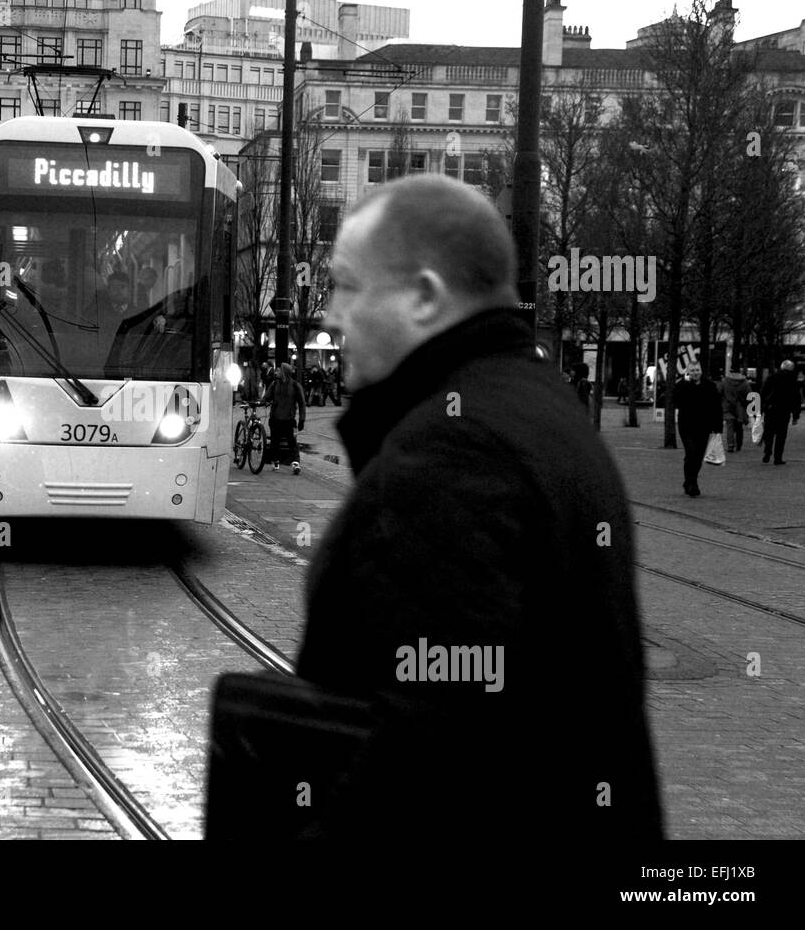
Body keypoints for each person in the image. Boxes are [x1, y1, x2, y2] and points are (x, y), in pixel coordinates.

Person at [296, 175, 662, 839]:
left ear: (424, 297)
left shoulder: (451, 456)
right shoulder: (543, 406)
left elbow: (423, 764)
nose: (328, 314)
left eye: (346, 285)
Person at [672, 363, 722, 496]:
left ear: (701, 370)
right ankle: (692, 483)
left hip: (704, 427)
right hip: (686, 426)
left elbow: (716, 406)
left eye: (697, 370)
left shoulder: (709, 386)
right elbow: (675, 399)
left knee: (698, 457)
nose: (695, 372)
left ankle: (689, 481)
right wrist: (683, 382)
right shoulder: (682, 385)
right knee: (691, 453)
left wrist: (717, 427)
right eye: (692, 370)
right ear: (688, 372)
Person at [262, 362, 305, 474]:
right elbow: (266, 397)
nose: (276, 372)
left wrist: (302, 419)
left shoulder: (295, 385)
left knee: (292, 443)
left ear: (284, 372)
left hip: (289, 420)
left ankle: (295, 464)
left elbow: (302, 403)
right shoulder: (274, 384)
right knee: (274, 442)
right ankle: (276, 461)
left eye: (278, 370)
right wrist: (263, 402)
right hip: (275, 419)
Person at [761, 359, 801, 465]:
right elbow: (796, 399)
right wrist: (796, 415)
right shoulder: (793, 381)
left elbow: (763, 393)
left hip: (771, 409)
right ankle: (778, 458)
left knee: (769, 432)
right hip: (784, 411)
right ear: (791, 369)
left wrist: (760, 409)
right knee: (781, 435)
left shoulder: (771, 377)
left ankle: (767, 450)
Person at [718, 366, 750, 453]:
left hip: (727, 407)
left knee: (730, 427)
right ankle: (739, 444)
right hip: (740, 408)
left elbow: (718, 393)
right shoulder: (744, 383)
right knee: (739, 427)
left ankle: (730, 445)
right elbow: (749, 396)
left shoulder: (725, 382)